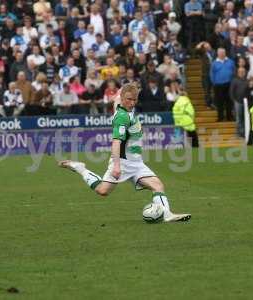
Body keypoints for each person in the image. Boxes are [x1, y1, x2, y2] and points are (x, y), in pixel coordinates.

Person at [58, 83, 191, 223]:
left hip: (137, 163)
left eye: (134, 100)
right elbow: (116, 142)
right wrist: (116, 165)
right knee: (102, 191)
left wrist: (124, 89)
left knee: (158, 185)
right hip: (123, 163)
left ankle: (167, 214)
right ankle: (81, 169)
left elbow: (116, 101)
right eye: (128, 99)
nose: (132, 103)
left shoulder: (122, 107)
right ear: (123, 98)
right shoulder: (122, 117)